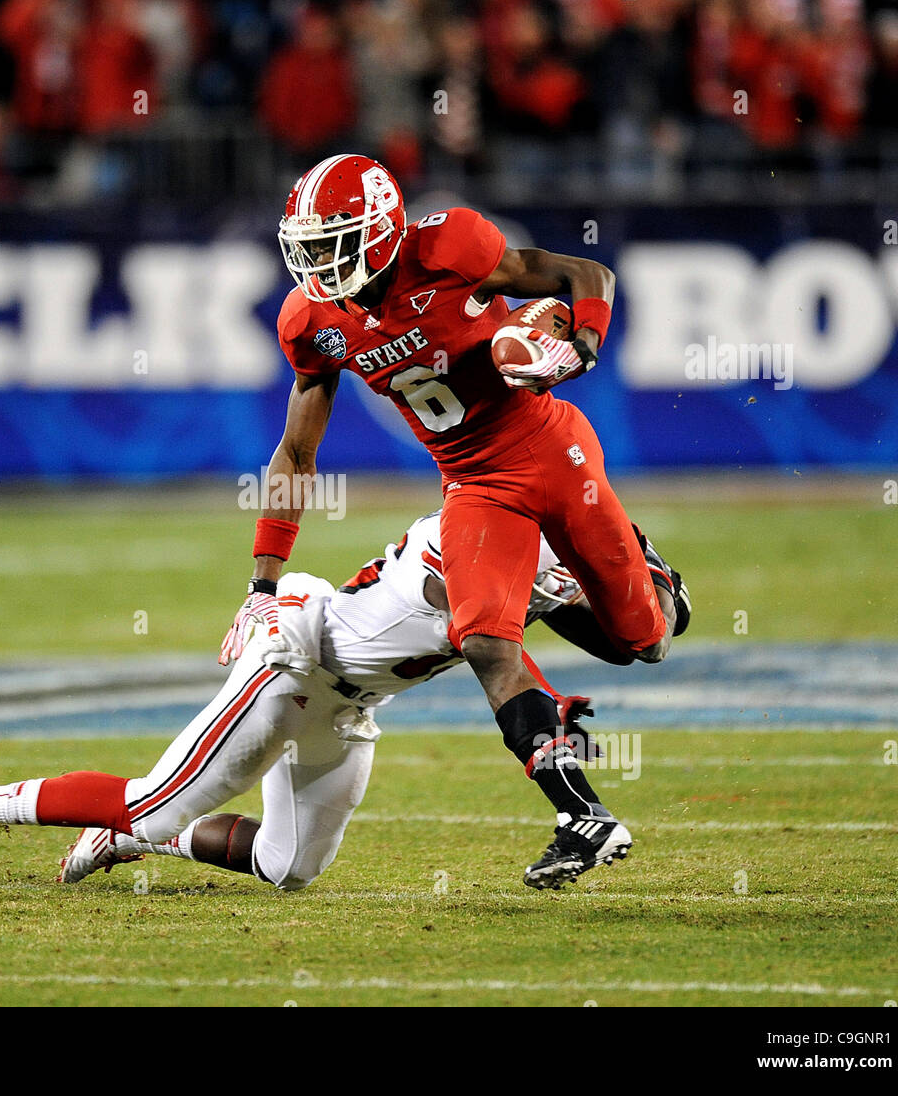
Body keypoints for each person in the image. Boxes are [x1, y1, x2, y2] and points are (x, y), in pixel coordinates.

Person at [220, 155, 691, 879]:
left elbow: (585, 275)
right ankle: (581, 812)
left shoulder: (447, 247)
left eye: (332, 241)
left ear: (377, 232)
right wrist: (262, 582)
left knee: (645, 640)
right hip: (475, 484)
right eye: (307, 244)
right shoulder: (312, 319)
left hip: (550, 444)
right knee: (483, 642)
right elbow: (294, 453)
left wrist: (582, 343)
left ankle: (646, 569)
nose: (316, 263)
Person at [0, 510, 673, 891]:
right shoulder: (475, 533)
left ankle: (132, 840)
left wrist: (552, 694)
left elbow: (506, 634)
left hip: (347, 704)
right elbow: (485, 642)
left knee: (288, 867)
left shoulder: (524, 560)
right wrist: (539, 705)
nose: (586, 582)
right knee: (154, 800)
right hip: (296, 656)